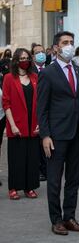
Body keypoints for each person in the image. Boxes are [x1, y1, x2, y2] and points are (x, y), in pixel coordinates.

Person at [37, 31, 79, 235]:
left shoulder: (78, 71)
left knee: (73, 180)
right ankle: (56, 220)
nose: (69, 45)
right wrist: (45, 135)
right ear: (56, 48)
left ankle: (70, 217)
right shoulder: (47, 73)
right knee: (54, 180)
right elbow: (41, 109)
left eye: (72, 42)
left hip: (77, 134)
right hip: (57, 135)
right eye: (65, 42)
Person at [3, 48, 40, 200]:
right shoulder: (8, 78)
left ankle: (29, 187)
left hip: (33, 125)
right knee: (16, 158)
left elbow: (41, 101)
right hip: (16, 124)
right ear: (16, 61)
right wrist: (11, 125)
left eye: (27, 58)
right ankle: (13, 188)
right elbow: (6, 103)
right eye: (22, 58)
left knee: (32, 157)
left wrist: (40, 123)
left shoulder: (35, 77)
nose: (25, 61)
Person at [31, 44, 48, 181]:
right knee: (36, 143)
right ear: (33, 56)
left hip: (48, 111)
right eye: (37, 52)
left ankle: (46, 169)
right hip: (34, 111)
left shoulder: (49, 70)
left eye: (42, 52)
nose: (41, 54)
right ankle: (38, 170)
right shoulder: (30, 72)